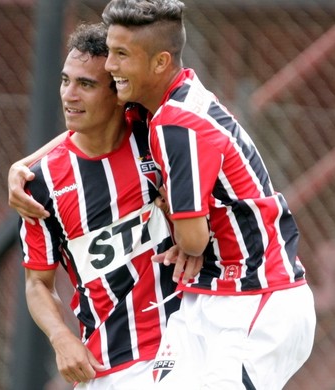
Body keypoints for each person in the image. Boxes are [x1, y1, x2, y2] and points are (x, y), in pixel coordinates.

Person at [99, 1, 317, 389]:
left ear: (160, 62)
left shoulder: (176, 122)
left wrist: (184, 224)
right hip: (207, 294)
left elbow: (194, 239)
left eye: (121, 55)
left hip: (256, 295)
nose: (108, 66)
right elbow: (81, 125)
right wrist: (25, 165)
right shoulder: (160, 103)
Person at [16, 22, 191, 389]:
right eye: (66, 81)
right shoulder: (40, 183)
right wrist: (61, 337)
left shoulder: (156, 137)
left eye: (86, 84)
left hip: (186, 343)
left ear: (119, 93)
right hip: (108, 366)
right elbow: (37, 283)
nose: (69, 95)